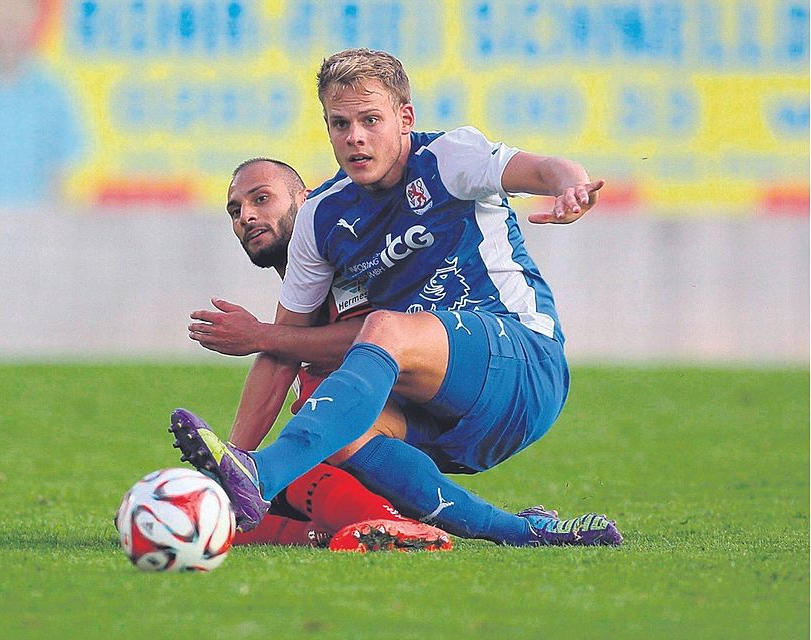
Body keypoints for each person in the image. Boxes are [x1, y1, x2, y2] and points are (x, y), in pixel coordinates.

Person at [173, 48, 621, 547]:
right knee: (326, 415)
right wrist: (228, 466)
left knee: (384, 328)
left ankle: (263, 475)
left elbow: (545, 170)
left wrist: (572, 186)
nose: (354, 137)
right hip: (444, 418)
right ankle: (520, 532)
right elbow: (282, 351)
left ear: (404, 118)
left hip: (524, 365)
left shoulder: (448, 157)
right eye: (339, 124)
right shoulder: (322, 217)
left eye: (370, 120)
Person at [200, 158, 451, 552]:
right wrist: (231, 469)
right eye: (235, 210)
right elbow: (277, 357)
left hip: (407, 431)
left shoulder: (347, 266)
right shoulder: (300, 300)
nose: (246, 216)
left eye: (261, 199)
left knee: (301, 459)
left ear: (307, 199)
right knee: (240, 511)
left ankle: (386, 520)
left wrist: (262, 335)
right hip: (366, 446)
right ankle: (358, 526)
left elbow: (373, 338)